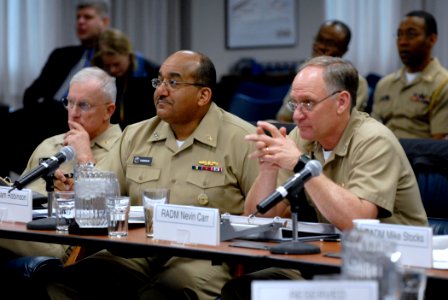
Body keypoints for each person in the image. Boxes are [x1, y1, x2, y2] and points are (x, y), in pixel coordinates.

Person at [46, 50, 260, 300]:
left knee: (162, 292)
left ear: (203, 95)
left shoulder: (243, 139)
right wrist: (78, 192)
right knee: (66, 283)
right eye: (159, 81)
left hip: (204, 256)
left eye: (174, 82)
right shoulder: (136, 135)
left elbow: (264, 216)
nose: (161, 90)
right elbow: (102, 197)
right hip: (137, 250)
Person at [220, 56, 428, 300]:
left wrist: (301, 163)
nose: (297, 115)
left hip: (388, 270)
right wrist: (268, 168)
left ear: (341, 102)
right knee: (244, 290)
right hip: (326, 261)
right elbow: (258, 217)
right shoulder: (303, 137)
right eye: (294, 104)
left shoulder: (374, 140)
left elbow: (356, 223)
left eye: (308, 103)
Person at [0, 66, 122, 297]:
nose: (73, 113)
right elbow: (18, 195)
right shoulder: (50, 144)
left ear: (109, 110)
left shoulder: (124, 149)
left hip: (63, 239)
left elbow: (109, 212)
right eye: (69, 102)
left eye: (83, 105)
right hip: (19, 224)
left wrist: (85, 157)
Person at [3, 0, 111, 177]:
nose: (81, 22)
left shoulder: (112, 59)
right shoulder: (62, 54)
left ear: (104, 22)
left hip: (79, 116)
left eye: (88, 17)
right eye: (78, 17)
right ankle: (10, 187)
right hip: (48, 111)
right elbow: (31, 93)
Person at [372, 10, 448, 139]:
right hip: (380, 153)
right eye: (399, 35)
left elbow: (438, 144)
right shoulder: (385, 83)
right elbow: (372, 129)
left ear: (432, 39)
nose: (402, 42)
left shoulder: (443, 84)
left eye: (411, 34)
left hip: (417, 156)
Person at [276, 20, 369, 122]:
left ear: (343, 50)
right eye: (319, 40)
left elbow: (342, 124)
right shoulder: (304, 76)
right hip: (298, 133)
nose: (321, 46)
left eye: (330, 43)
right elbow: (284, 115)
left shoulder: (356, 82)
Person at [93, 28, 159, 129]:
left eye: (116, 64)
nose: (112, 70)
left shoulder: (152, 73)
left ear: (128, 54)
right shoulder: (101, 75)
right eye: (107, 66)